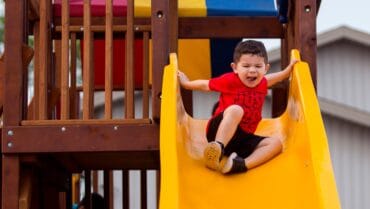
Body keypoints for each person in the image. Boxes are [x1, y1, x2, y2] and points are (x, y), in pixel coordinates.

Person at [177, 40, 298, 174]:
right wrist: (187, 84)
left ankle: (240, 164)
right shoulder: (230, 80)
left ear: (266, 68)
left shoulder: (263, 83)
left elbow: (276, 77)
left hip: (241, 140)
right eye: (246, 66)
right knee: (236, 109)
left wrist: (288, 71)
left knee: (276, 144)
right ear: (235, 68)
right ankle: (217, 148)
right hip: (218, 131)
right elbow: (205, 85)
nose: (252, 70)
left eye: (258, 66)